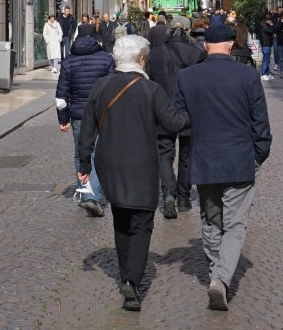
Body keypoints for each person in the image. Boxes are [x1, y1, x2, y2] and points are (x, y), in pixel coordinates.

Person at [78, 34, 189, 312]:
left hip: (109, 164)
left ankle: (126, 272)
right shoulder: (150, 89)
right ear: (141, 59)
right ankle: (132, 280)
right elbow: (174, 123)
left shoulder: (101, 86)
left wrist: (83, 165)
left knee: (121, 219)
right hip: (141, 164)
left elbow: (87, 129)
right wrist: (194, 108)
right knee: (142, 223)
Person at [172, 19, 271, 311]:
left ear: (205, 45)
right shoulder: (248, 76)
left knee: (210, 219)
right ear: (230, 44)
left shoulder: (188, 77)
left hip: (204, 159)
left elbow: (179, 118)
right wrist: (259, 154)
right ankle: (221, 279)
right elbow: (260, 122)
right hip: (240, 159)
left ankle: (217, 271)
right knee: (235, 224)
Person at [148, 18, 204, 218]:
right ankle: (183, 198)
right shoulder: (196, 53)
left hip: (162, 110)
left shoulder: (154, 55)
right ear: (187, 31)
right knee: (187, 156)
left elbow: (149, 84)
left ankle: (169, 193)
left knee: (165, 154)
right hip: (190, 111)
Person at [57, 23, 115, 216]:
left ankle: (86, 194)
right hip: (102, 114)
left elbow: (61, 96)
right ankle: (94, 195)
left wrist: (63, 119)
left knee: (80, 154)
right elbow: (113, 89)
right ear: (95, 38)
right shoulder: (106, 59)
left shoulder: (68, 61)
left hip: (79, 115)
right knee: (98, 153)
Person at [257, 11, 277, 80]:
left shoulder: (265, 25)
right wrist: (271, 25)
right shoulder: (264, 25)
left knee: (267, 59)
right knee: (266, 59)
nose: (271, 22)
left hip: (267, 43)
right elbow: (271, 31)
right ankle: (263, 74)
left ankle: (267, 73)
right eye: (270, 20)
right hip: (265, 44)